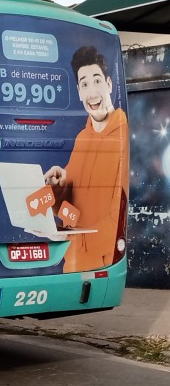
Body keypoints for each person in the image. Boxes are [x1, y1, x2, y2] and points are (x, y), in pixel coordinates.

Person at [43, 45, 129, 273]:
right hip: (71, 265)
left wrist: (77, 239)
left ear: (109, 84)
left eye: (97, 81)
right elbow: (67, 207)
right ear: (79, 92)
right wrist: (55, 189)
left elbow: (119, 214)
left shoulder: (124, 135)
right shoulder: (82, 138)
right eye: (84, 84)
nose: (92, 93)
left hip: (102, 264)